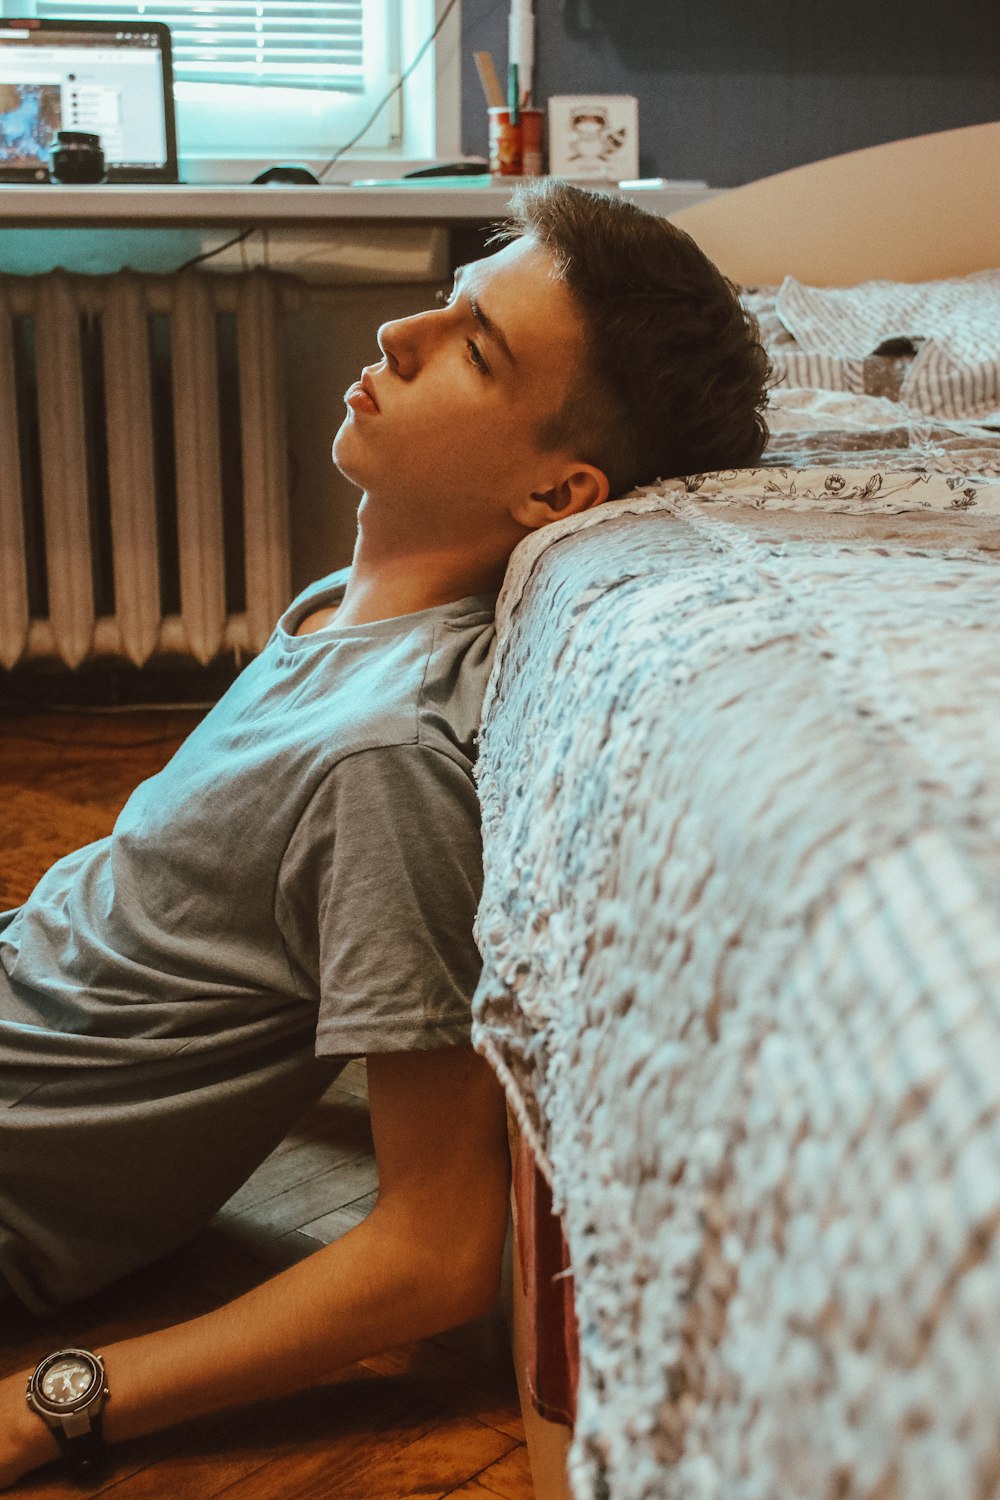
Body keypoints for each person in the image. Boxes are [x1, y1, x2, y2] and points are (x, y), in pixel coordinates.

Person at [0, 179, 770, 1490]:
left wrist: (51, 1407)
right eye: (450, 303)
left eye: (472, 347)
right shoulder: (329, 614)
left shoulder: (387, 758)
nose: (400, 335)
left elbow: (437, 1247)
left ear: (556, 489)